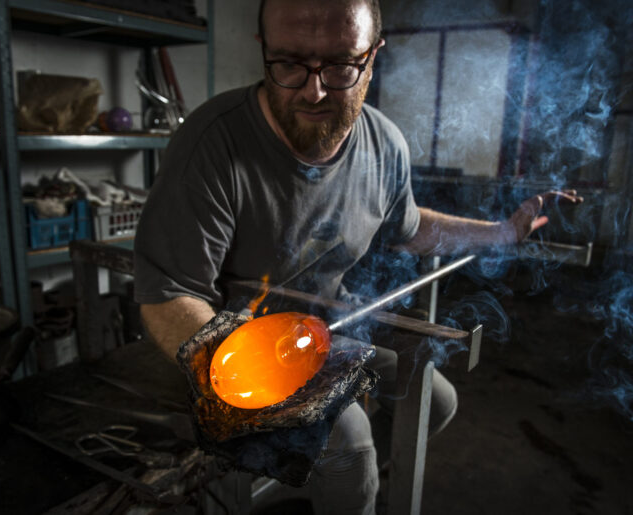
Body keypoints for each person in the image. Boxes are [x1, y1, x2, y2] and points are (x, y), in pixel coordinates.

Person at [134, 0, 582, 513]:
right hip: (237, 344)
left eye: (342, 66)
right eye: (288, 63)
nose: (313, 90)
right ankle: (339, 478)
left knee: (436, 402)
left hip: (328, 325)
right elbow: (170, 293)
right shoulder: (212, 143)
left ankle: (321, 487)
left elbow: (412, 229)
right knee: (352, 445)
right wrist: (241, 371)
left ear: (373, 57)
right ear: (264, 51)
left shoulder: (384, 144)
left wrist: (503, 233)